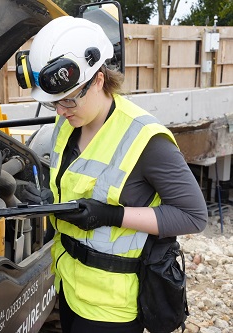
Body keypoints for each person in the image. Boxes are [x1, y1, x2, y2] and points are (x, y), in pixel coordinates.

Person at [17, 16, 208, 333]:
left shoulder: (147, 141)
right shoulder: (68, 124)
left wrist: (110, 215)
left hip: (111, 311)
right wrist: (48, 200)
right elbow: (77, 181)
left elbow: (193, 215)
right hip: (69, 285)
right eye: (54, 104)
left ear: (98, 80)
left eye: (67, 99)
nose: (61, 110)